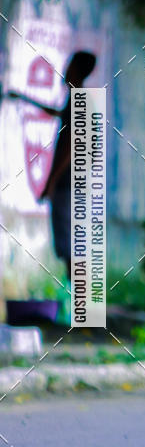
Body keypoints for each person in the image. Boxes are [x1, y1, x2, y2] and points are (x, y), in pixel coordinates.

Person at [8, 51, 97, 280]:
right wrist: (24, 97)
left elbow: (70, 149)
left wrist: (51, 182)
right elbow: (56, 113)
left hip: (69, 184)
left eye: (70, 65)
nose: (65, 69)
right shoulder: (77, 100)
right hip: (73, 183)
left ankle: (84, 308)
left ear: (77, 70)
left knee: (70, 247)